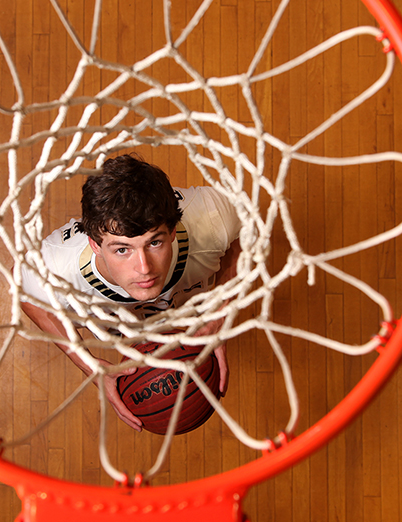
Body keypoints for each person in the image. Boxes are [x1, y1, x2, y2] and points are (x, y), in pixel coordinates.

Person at [20, 154, 242, 431]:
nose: (144, 268)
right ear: (95, 245)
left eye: (155, 242)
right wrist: (86, 361)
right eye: (122, 249)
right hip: (121, 323)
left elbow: (245, 237)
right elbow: (31, 301)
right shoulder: (52, 268)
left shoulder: (214, 216)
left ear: (172, 231)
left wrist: (221, 308)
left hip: (189, 308)